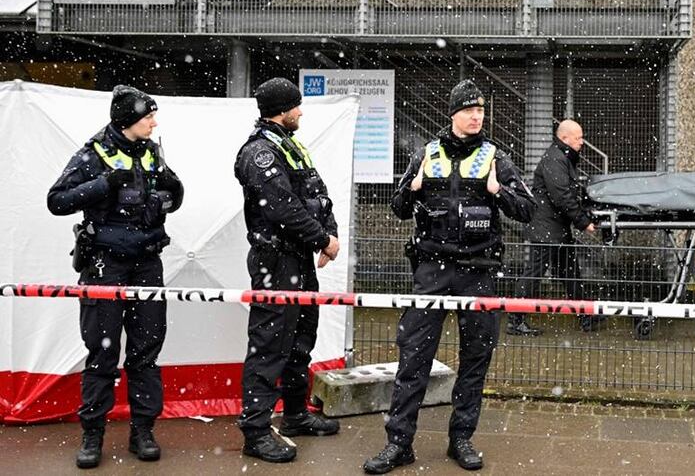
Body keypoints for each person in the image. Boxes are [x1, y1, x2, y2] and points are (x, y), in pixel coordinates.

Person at [363, 79, 535, 474]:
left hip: (479, 273)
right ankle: (399, 443)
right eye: (469, 110)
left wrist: (498, 192)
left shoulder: (496, 157)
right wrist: (416, 187)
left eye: (481, 111)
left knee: (476, 357)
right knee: (414, 357)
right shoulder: (426, 154)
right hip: (431, 271)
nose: (477, 116)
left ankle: (461, 439)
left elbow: (527, 209)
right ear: (453, 113)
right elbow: (399, 207)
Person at [47, 85, 184, 469]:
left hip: (147, 264)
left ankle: (143, 431)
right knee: (102, 353)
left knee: (146, 351)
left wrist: (169, 196)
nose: (154, 123)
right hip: (105, 264)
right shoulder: (92, 155)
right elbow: (56, 200)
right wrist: (105, 184)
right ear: (128, 120)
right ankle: (92, 435)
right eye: (148, 117)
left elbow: (174, 190)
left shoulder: (152, 152)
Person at [234, 77, 341, 463]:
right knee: (270, 344)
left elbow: (317, 193)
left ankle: (295, 414)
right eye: (296, 105)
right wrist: (322, 241)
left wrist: (329, 233)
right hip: (276, 261)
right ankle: (256, 430)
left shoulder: (290, 145)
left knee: (300, 338)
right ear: (281, 109)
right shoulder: (259, 152)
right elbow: (281, 207)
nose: (301, 111)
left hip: (298, 260)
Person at [506, 119, 599, 336]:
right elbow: (562, 195)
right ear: (564, 138)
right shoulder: (556, 160)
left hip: (552, 228)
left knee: (568, 272)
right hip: (548, 229)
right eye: (578, 138)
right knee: (535, 273)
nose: (582, 142)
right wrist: (583, 221)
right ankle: (515, 319)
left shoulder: (559, 158)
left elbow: (564, 194)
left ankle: (586, 315)